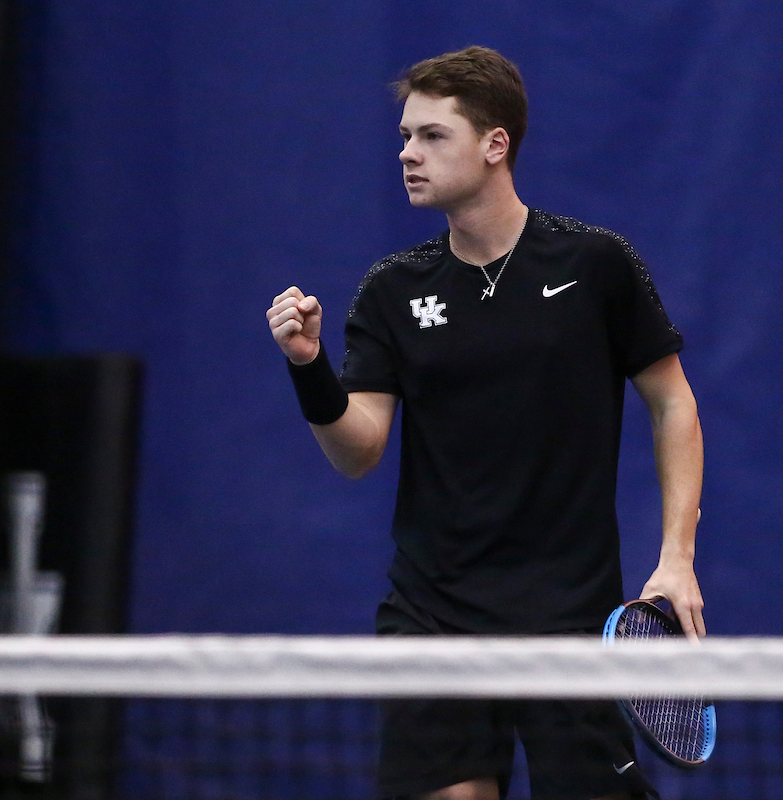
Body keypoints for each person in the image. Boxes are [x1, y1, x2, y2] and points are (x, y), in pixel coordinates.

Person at [265, 46, 703, 800]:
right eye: (405, 136)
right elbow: (357, 451)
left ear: (495, 144)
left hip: (570, 613)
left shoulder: (596, 264)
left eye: (432, 135)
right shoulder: (392, 290)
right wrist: (309, 367)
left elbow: (674, 404)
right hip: (434, 612)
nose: (408, 153)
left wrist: (676, 557)